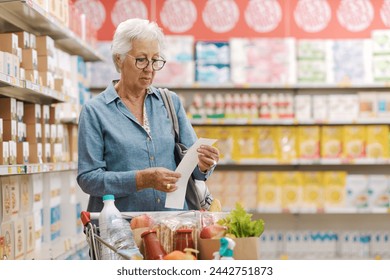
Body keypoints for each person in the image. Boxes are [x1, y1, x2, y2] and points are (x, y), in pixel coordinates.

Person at [77, 18, 219, 213]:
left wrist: (203, 165)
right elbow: (88, 179)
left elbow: (194, 170)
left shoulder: (170, 103)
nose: (150, 69)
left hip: (173, 225)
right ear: (119, 58)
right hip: (121, 229)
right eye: (141, 59)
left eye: (155, 60)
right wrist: (141, 180)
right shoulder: (95, 111)